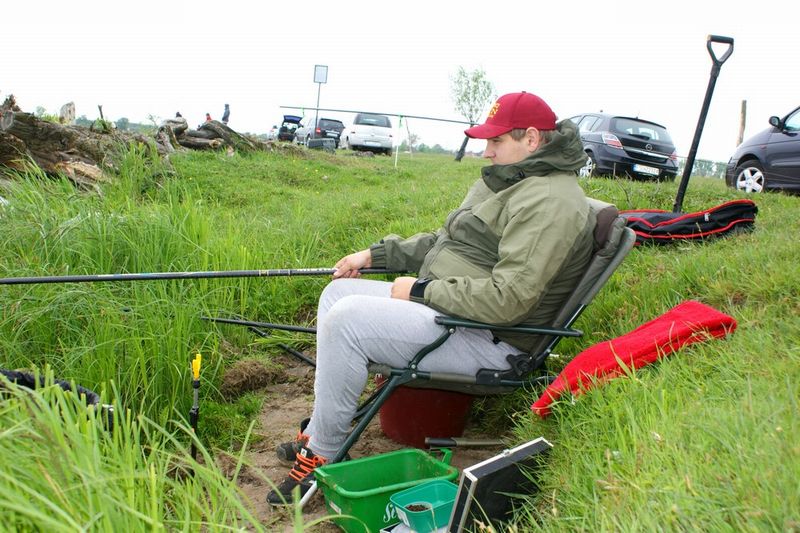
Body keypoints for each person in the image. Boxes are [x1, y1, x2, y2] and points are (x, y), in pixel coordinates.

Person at [266, 91, 596, 504]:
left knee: (347, 321)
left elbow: (509, 299)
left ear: (531, 139)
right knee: (337, 294)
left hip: (488, 337)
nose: (487, 151)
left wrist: (421, 290)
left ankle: (323, 453)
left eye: (496, 141)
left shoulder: (550, 202)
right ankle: (321, 430)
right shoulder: (514, 179)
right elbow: (446, 242)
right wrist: (374, 256)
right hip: (453, 311)